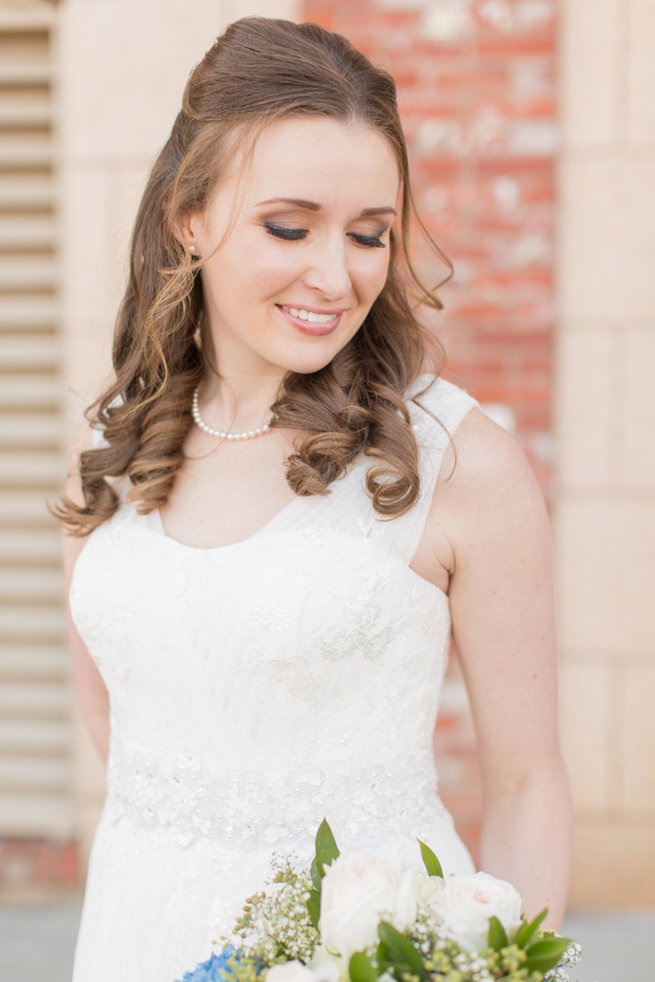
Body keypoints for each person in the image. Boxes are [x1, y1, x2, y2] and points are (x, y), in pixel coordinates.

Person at [56, 17, 572, 982]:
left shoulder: (457, 463)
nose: (336, 277)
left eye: (369, 234)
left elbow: (527, 782)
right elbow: (123, 724)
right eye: (289, 227)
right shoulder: (118, 451)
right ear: (188, 216)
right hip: (132, 935)